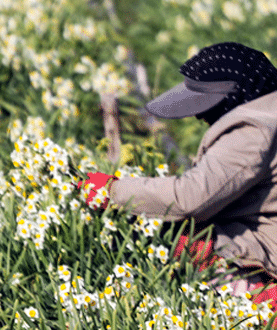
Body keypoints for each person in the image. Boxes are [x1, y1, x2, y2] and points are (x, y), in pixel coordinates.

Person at [80, 42, 277, 306]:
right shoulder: (267, 111)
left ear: (233, 96)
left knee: (170, 231)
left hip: (269, 250)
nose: (200, 117)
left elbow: (189, 198)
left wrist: (112, 191)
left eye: (207, 107)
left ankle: (258, 298)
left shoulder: (253, 131)